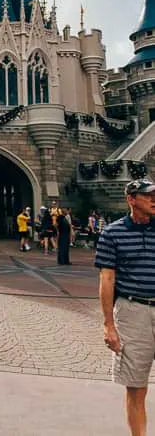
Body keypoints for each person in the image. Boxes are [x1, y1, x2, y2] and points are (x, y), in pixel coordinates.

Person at [95, 178, 155, 436]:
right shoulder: (113, 233)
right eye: (148, 196)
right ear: (131, 199)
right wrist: (109, 325)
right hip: (133, 312)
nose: (154, 200)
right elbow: (107, 279)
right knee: (136, 385)